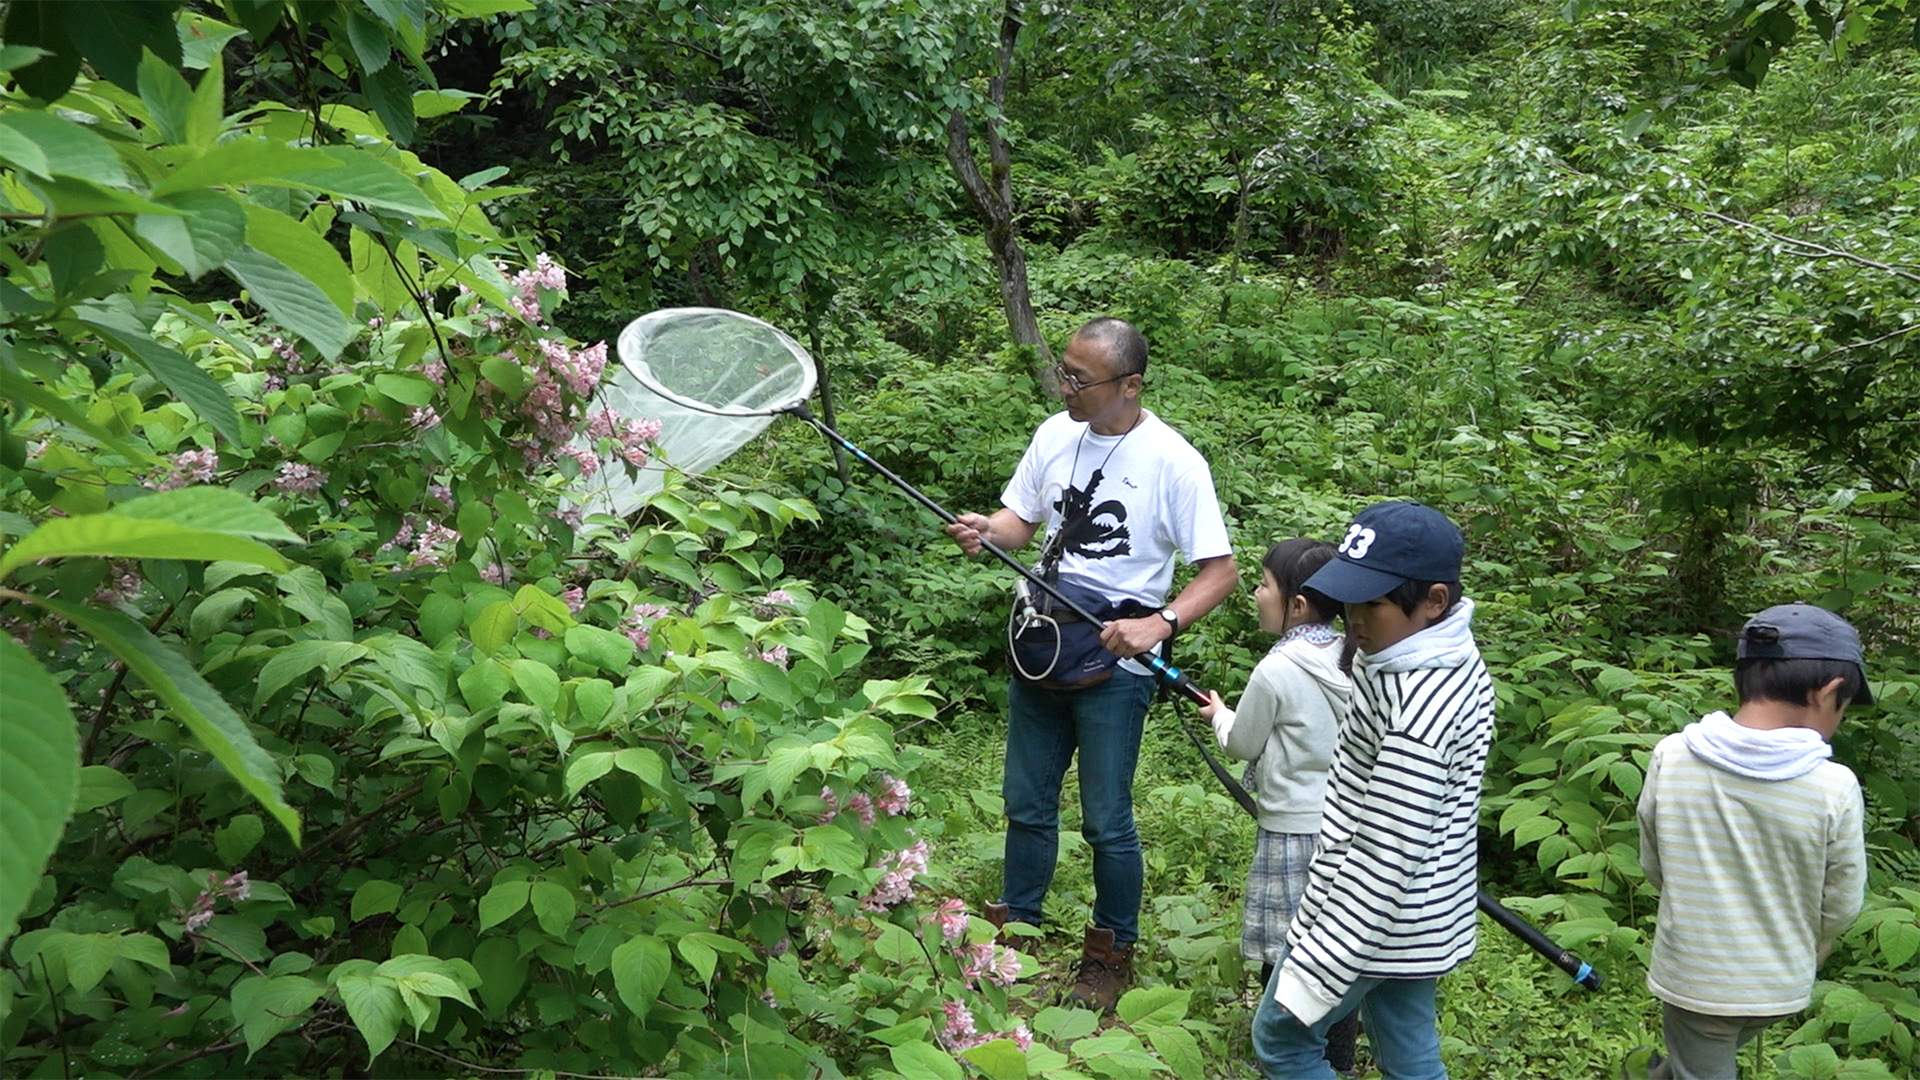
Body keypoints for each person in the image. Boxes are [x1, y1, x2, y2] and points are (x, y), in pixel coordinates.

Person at [946, 316, 1237, 1012]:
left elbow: (1220, 572)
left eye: (1080, 378)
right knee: (1025, 801)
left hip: (1116, 664)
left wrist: (1158, 624)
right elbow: (1022, 521)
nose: (1065, 386)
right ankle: (1015, 929)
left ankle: (1111, 951)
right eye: (1063, 372)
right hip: (1042, 644)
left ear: (1130, 385)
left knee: (1106, 818)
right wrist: (989, 531)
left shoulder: (1174, 462)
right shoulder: (1055, 434)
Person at [1251, 500, 1495, 1080]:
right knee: (1410, 1058)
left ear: (1435, 601)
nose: (1356, 618)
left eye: (1375, 603)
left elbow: (1386, 850)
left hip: (1372, 916)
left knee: (1281, 1042)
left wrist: (1322, 960)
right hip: (1421, 920)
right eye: (1351, 599)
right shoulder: (1411, 659)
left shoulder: (1420, 706)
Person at [1624, 602, 1870, 1080]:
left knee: (1702, 1058)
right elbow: (1841, 904)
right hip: (1780, 983)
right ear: (1830, 692)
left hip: (1696, 980)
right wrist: (1809, 947)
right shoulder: (1834, 786)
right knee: (1703, 1059)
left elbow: (1655, 865)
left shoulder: (1671, 756)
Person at [1197, 538, 1361, 1074]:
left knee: (1287, 955)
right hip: (1347, 829)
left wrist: (1221, 714)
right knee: (1334, 952)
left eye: (1264, 584)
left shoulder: (1277, 669)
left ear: (1297, 604)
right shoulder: (1356, 658)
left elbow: (1242, 743)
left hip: (1290, 832)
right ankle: (1338, 1057)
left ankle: (1290, 1056)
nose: (1256, 593)